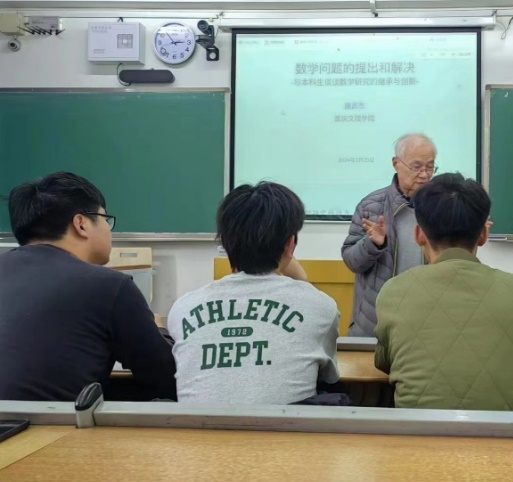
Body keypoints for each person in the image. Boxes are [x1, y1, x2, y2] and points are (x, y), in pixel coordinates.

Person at [374, 173, 513, 411]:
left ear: (419, 235)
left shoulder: (394, 292)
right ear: (483, 235)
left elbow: (385, 361)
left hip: (421, 432)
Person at [0, 172, 176, 401]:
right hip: (48, 424)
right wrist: (159, 329)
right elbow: (168, 378)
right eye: (105, 219)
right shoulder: (110, 286)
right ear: (81, 223)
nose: (109, 230)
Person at [168, 181, 339, 406]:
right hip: (284, 429)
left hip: (197, 429)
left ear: (226, 243)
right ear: (290, 244)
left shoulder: (183, 309)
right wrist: (303, 281)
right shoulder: (321, 306)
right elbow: (329, 377)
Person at [342, 133, 437, 337]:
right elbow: (351, 261)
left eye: (430, 167)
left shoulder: (441, 207)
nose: (424, 174)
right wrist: (372, 244)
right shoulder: (371, 206)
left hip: (427, 321)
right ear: (396, 163)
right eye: (417, 167)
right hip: (374, 322)